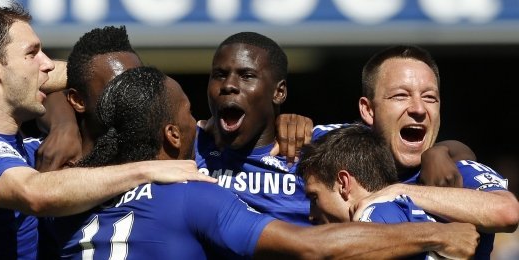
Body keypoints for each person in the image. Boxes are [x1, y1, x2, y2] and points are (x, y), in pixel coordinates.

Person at [44, 65, 479, 259]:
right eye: (187, 113)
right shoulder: (196, 197)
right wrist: (433, 235)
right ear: (174, 135)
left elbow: (83, 75)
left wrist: (62, 121)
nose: (203, 118)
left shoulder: (68, 192)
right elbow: (314, 248)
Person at [0, 4, 214, 259]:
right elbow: (34, 194)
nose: (47, 66)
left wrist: (65, 122)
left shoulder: (28, 150)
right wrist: (147, 171)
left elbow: (94, 76)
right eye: (33, 53)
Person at [312, 45, 519, 259]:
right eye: (401, 96)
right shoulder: (336, 154)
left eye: (430, 98)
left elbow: (507, 212)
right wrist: (287, 123)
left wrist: (399, 191)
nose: (419, 109)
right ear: (368, 110)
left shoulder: (454, 174)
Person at [195, 32, 311, 225]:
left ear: (279, 92)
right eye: (220, 75)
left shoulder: (315, 151)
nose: (229, 85)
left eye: (247, 76)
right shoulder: (190, 148)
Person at [298, 123, 440, 259]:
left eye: (314, 198)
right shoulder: (399, 210)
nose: (311, 216)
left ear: (343, 183)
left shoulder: (375, 217)